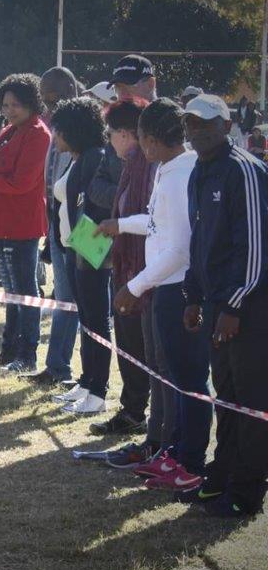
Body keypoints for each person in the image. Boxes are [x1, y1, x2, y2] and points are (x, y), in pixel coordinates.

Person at [94, 99, 206, 477]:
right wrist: (122, 224)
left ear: (153, 140)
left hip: (175, 289)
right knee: (163, 370)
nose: (139, 147)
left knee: (177, 376)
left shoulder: (176, 176)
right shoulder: (170, 168)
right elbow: (159, 225)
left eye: (141, 139)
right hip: (165, 285)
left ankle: (180, 454)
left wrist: (134, 287)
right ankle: (163, 446)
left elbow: (177, 248)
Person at [179, 94, 268, 517]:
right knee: (227, 396)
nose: (196, 132)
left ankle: (248, 491)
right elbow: (200, 239)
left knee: (251, 400)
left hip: (249, 307)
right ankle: (222, 477)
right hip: (217, 303)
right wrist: (194, 294)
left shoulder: (243, 170)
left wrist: (234, 305)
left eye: (205, 124)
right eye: (191, 124)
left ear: (227, 126)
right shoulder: (200, 169)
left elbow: (253, 248)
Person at [89, 55, 162, 437]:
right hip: (128, 267)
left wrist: (118, 225)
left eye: (114, 135)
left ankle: (149, 421)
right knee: (131, 346)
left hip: (148, 273)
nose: (112, 143)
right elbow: (101, 190)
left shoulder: (152, 165)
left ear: (129, 134)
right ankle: (133, 412)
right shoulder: (130, 164)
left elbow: (152, 220)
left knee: (148, 352)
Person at [0, 73, 51, 372]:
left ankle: (26, 356)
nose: (9, 110)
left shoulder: (38, 134)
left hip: (22, 224)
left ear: (31, 103)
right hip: (1, 222)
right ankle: (8, 350)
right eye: (5, 104)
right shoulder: (9, 131)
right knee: (12, 291)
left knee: (25, 291)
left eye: (16, 104)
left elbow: (21, 182)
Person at [46, 97, 112, 414]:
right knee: (86, 320)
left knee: (96, 320)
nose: (54, 137)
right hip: (74, 251)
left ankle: (98, 391)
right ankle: (86, 382)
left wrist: (85, 252)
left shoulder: (94, 157)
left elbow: (94, 209)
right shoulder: (77, 157)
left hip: (89, 253)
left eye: (59, 131)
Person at [24, 67, 81, 387]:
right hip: (57, 223)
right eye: (44, 101)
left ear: (71, 90)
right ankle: (57, 366)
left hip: (79, 228)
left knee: (78, 301)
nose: (48, 107)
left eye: (54, 99)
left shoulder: (86, 128)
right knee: (64, 299)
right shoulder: (55, 124)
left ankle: (77, 372)